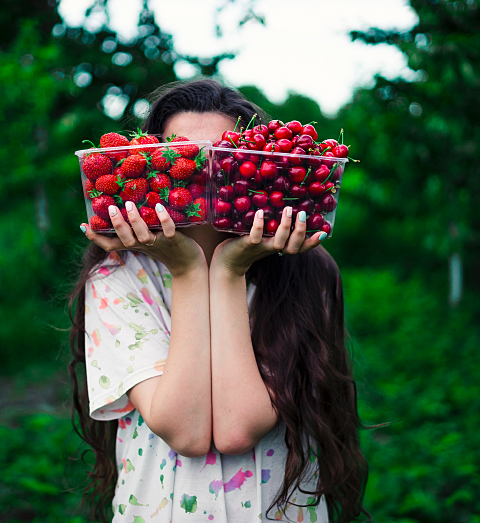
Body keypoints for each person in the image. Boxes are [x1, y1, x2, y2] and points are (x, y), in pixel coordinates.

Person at [68, 78, 369, 523]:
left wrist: (228, 270)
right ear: (149, 163)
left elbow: (236, 428)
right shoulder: (118, 278)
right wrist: (190, 270)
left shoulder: (304, 270)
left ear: (254, 162)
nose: (200, 170)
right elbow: (186, 432)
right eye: (181, 154)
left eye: (221, 156)